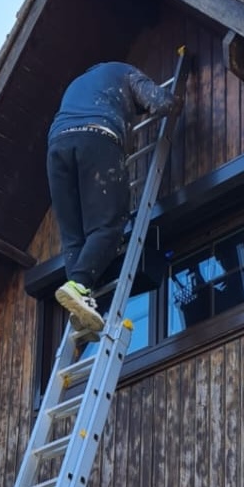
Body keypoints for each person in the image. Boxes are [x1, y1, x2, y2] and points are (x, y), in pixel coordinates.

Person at [46, 62, 173, 337]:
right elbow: (160, 103)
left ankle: (81, 303)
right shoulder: (124, 71)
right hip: (97, 137)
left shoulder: (78, 84)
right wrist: (173, 99)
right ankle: (80, 285)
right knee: (109, 224)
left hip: (56, 147)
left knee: (74, 238)